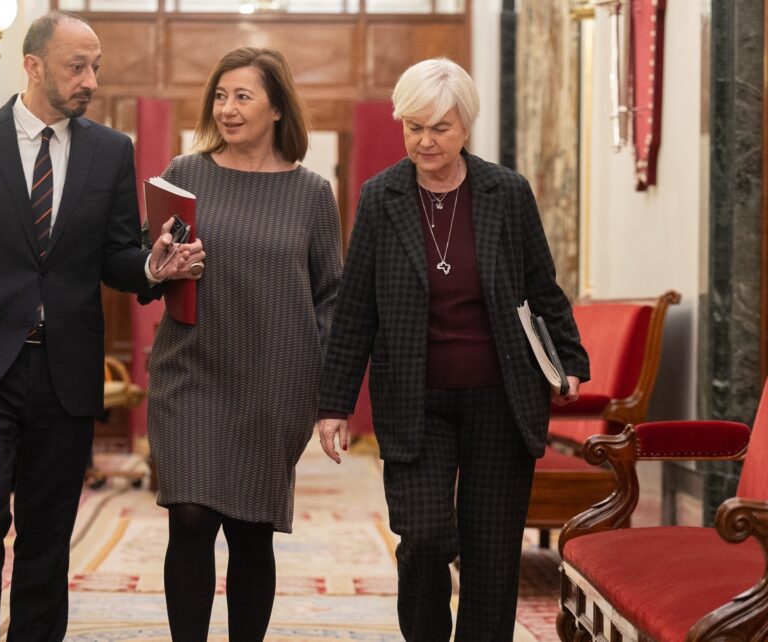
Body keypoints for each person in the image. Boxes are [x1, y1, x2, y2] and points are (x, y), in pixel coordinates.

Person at [0, 11, 203, 641]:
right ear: (34, 66)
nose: (90, 79)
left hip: (64, 371)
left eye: (95, 66)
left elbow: (119, 256)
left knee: (47, 533)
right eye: (77, 66)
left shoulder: (110, 151)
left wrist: (152, 264)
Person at [316, 58, 589, 641]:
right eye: (413, 126)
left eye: (439, 127)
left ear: (465, 125)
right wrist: (334, 404)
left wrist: (568, 363)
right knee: (425, 538)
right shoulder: (381, 197)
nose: (424, 140)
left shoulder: (506, 193)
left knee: (492, 557)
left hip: (500, 399)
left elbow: (543, 289)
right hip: (415, 400)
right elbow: (356, 306)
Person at [146, 47, 343, 641]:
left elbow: (331, 294)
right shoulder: (185, 173)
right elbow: (147, 262)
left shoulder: (312, 193)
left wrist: (329, 392)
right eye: (221, 96)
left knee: (251, 530)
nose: (227, 109)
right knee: (190, 515)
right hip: (191, 369)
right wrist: (161, 263)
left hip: (276, 378)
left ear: (278, 107)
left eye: (243, 96)